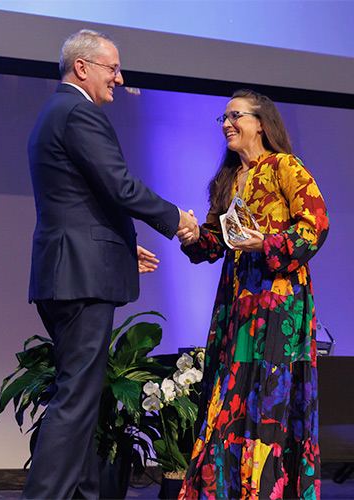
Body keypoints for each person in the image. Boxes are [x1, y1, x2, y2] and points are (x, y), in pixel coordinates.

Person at [22, 28, 198, 500]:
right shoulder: (79, 113)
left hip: (66, 271)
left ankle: (82, 495)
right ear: (83, 67)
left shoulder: (53, 113)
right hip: (80, 279)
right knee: (76, 399)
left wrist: (121, 248)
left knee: (82, 396)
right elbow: (119, 186)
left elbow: (80, 202)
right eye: (113, 68)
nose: (119, 78)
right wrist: (175, 217)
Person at [176, 89, 329, 499]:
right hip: (238, 302)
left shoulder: (284, 167)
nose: (227, 124)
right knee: (230, 396)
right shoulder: (228, 179)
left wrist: (267, 244)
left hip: (279, 303)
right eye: (223, 118)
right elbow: (214, 243)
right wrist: (191, 234)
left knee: (268, 397)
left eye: (235, 116)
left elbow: (315, 226)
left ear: (261, 123)